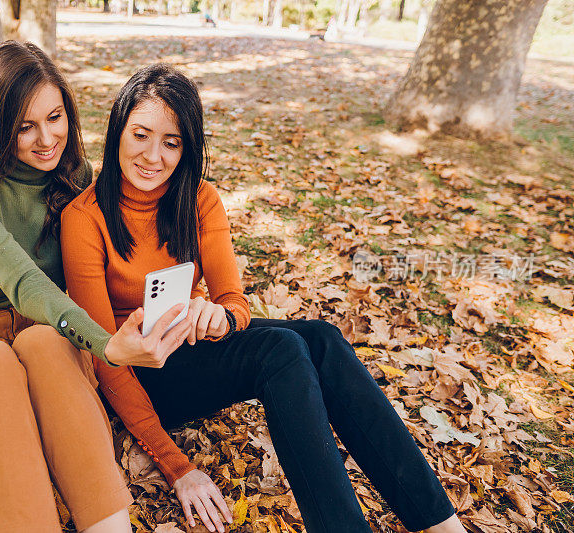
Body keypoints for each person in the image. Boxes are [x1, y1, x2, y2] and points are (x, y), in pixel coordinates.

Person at [60, 64, 467, 533]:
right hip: (142, 376)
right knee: (282, 349)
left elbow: (234, 300)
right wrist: (178, 467)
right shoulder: (84, 217)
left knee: (322, 339)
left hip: (192, 349)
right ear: (117, 132)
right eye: (141, 135)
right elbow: (104, 356)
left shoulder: (199, 200)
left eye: (171, 142)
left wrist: (220, 318)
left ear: (187, 148)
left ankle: (440, 522)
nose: (153, 156)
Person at [0, 43, 194, 533]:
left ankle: (109, 526)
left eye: (55, 117)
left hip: (52, 337)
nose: (47, 138)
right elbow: (23, 282)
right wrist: (108, 345)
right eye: (25, 126)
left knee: (42, 339)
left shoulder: (77, 178)